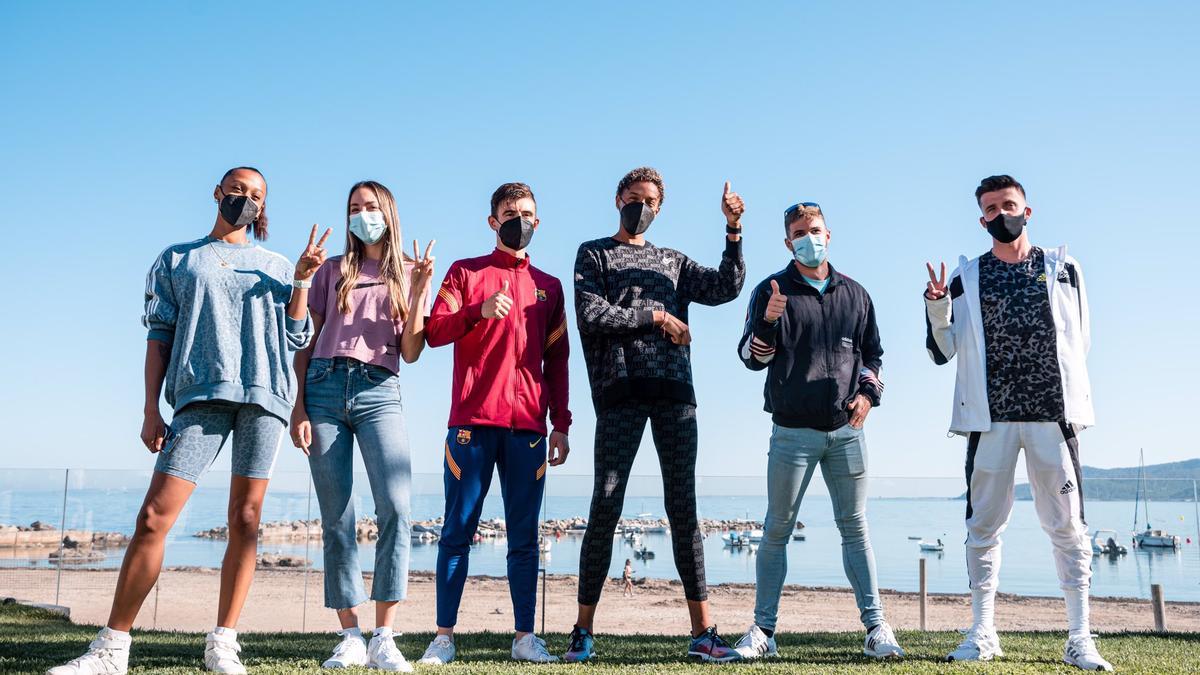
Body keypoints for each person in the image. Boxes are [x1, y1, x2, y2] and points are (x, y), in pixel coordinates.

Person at [49, 167, 317, 675]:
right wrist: (151, 408)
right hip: (198, 396)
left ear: (265, 206)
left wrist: (302, 279)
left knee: (245, 521)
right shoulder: (177, 258)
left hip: (265, 399)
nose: (245, 199)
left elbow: (297, 338)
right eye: (237, 190)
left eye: (256, 195)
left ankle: (223, 643)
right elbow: (158, 337)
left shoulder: (279, 265)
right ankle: (112, 648)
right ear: (217, 193)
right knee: (153, 517)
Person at [924, 175, 1110, 671]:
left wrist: (1062, 394)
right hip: (991, 420)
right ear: (981, 219)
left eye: (1009, 205)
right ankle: (983, 631)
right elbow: (943, 351)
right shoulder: (967, 277)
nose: (1001, 214)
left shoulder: (1064, 267)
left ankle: (1080, 638)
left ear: (1028, 211)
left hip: (1053, 416)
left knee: (1068, 527)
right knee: (983, 526)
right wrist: (937, 306)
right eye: (991, 208)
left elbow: (1079, 339)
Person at [564, 167, 745, 663]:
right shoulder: (594, 253)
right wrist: (658, 317)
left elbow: (726, 286)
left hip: (674, 395)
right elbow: (592, 313)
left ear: (659, 209)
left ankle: (703, 633)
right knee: (605, 505)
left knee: (683, 509)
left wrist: (733, 231)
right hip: (620, 393)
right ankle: (582, 631)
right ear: (617, 198)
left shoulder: (673, 262)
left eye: (649, 201)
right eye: (633, 197)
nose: (640, 206)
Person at [732, 201, 904, 661]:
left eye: (817, 229)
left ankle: (876, 628)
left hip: (847, 432)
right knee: (777, 531)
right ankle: (763, 632)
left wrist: (868, 396)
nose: (811, 237)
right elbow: (752, 358)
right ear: (788, 242)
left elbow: (874, 357)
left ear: (829, 234)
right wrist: (769, 319)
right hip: (792, 434)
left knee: (856, 529)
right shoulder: (772, 290)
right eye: (801, 232)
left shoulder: (856, 294)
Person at [417, 182, 571, 666]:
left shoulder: (550, 286)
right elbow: (434, 331)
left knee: (524, 539)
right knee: (456, 531)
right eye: (510, 212)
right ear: (492, 221)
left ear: (538, 222)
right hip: (471, 426)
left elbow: (559, 361)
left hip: (528, 429)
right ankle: (443, 637)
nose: (519, 220)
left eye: (527, 213)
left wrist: (561, 423)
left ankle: (525, 637)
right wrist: (476, 312)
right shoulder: (466, 272)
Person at [290, 181, 435, 671]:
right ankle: (350, 634)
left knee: (395, 507)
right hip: (324, 389)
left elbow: (412, 352)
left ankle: (384, 637)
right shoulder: (332, 270)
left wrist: (416, 294)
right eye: (354, 208)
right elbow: (304, 341)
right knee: (337, 516)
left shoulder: (412, 272)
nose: (362, 215)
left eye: (370, 207)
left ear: (389, 214)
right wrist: (299, 406)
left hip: (379, 389)